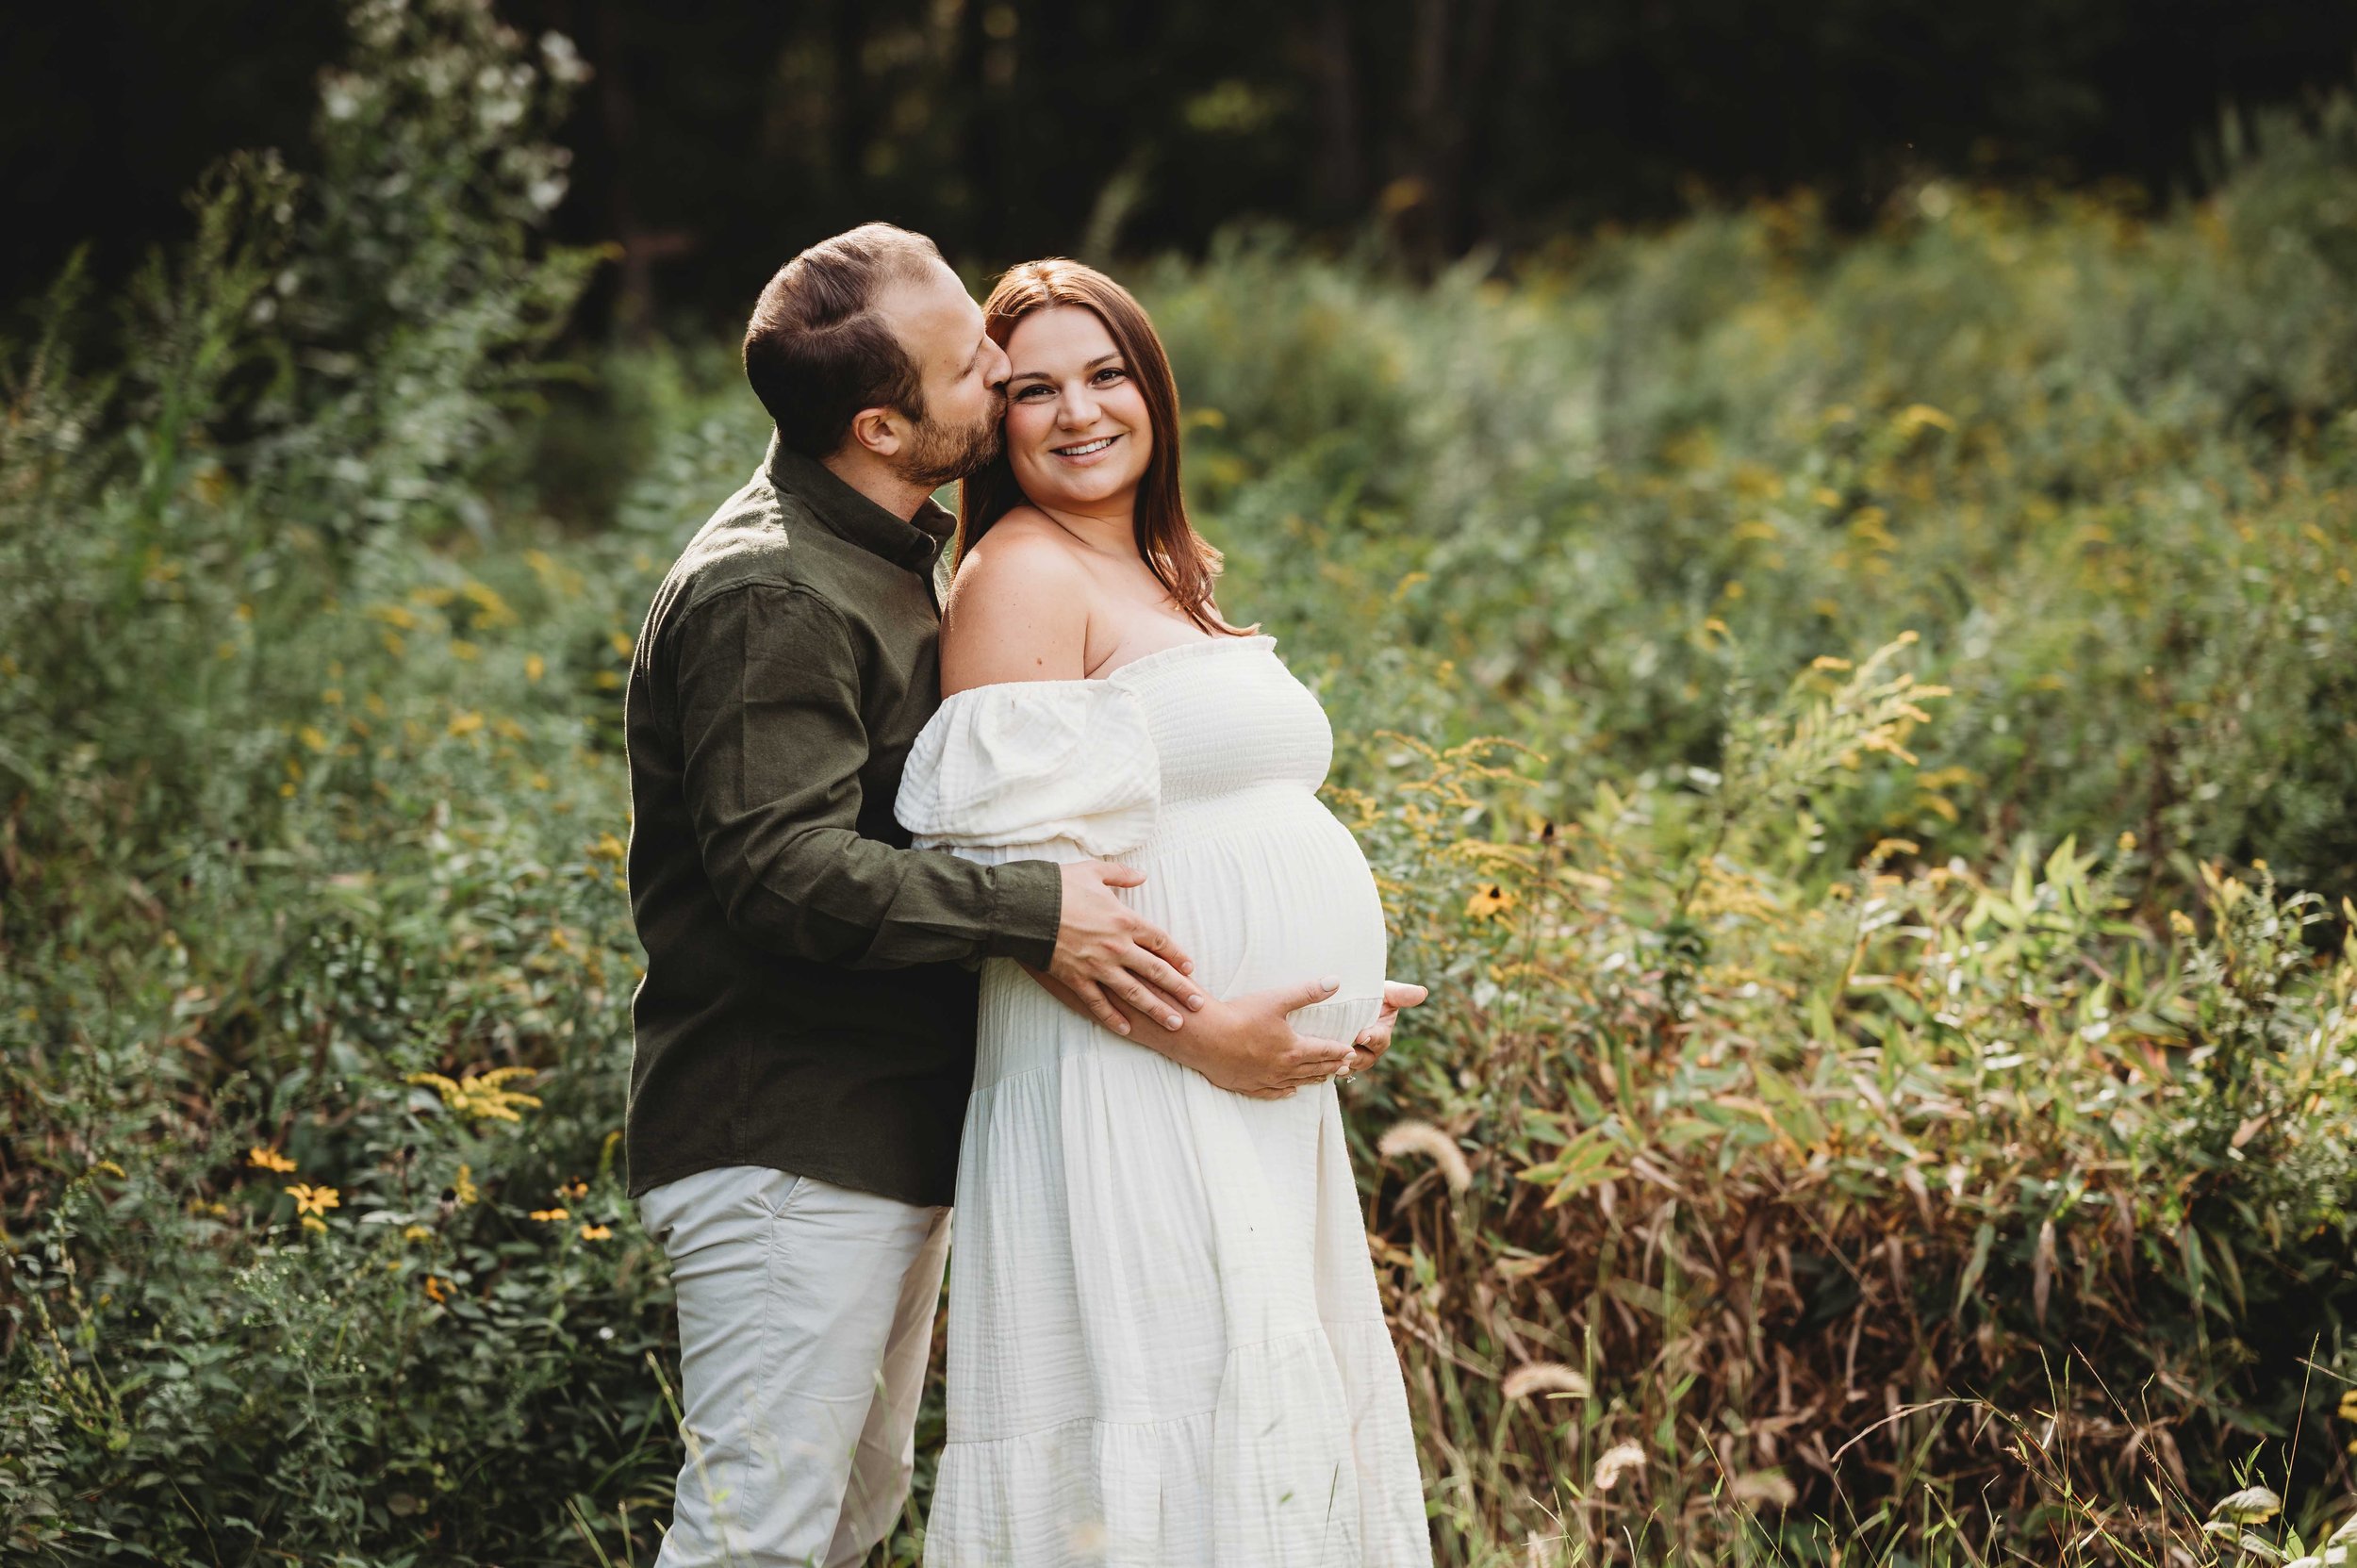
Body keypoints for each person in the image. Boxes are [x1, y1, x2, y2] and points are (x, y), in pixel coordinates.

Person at [621, 223, 1389, 1568]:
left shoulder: (879, 554)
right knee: (756, 1539)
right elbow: (778, 873)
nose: (1011, 381)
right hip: (789, 1138)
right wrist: (1040, 914)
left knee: (838, 1526)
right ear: (880, 421)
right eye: (987, 369)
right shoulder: (774, 588)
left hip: (873, 1127)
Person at [897, 258, 1433, 1566]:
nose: (1079, 413)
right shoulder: (1020, 575)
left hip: (1223, 1078)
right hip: (1122, 1079)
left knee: (1248, 1437)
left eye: (1106, 374)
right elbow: (1033, 902)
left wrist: (1323, 1008)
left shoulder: (1153, 564)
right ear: (995, 424)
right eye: (1033, 392)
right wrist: (1209, 1034)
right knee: (1160, 1427)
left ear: (1154, 390)